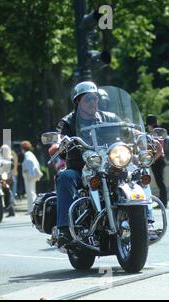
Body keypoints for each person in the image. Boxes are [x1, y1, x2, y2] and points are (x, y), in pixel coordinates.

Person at [49, 81, 124, 248]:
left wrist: (143, 136)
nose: (93, 102)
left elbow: (127, 130)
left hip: (109, 166)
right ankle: (64, 230)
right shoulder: (68, 121)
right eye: (88, 99)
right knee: (65, 177)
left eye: (95, 98)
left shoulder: (109, 118)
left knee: (136, 173)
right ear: (78, 102)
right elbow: (58, 136)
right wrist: (57, 143)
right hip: (80, 168)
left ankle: (146, 220)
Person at [146, 114, 168, 208]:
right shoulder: (157, 132)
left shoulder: (157, 133)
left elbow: (159, 150)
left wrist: (152, 160)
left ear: (150, 125)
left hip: (158, 161)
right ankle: (163, 201)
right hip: (158, 161)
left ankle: (163, 202)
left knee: (160, 183)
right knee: (160, 182)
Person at [21, 140, 43, 215]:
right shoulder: (31, 154)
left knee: (30, 192)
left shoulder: (27, 155)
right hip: (32, 175)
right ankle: (33, 208)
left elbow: (29, 162)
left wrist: (29, 172)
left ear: (22, 148)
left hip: (29, 176)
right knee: (32, 192)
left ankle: (32, 209)